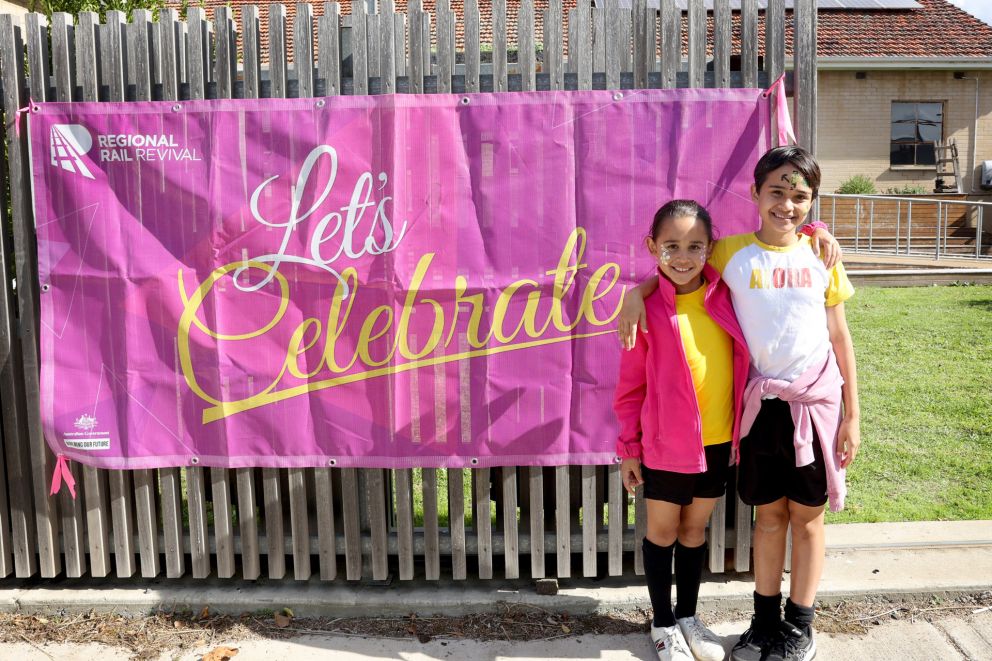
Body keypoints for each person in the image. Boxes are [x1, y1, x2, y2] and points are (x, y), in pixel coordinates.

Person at [619, 146, 860, 661]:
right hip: (757, 411)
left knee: (808, 519)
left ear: (813, 201)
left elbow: (841, 339)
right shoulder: (729, 253)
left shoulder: (821, 256)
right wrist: (633, 294)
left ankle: (801, 626)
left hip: (813, 408)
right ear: (754, 193)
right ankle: (764, 621)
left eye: (800, 196)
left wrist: (853, 415)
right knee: (769, 517)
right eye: (777, 191)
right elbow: (678, 268)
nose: (787, 204)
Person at [614, 199, 750, 661]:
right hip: (665, 447)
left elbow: (785, 238)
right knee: (663, 533)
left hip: (716, 444)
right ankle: (664, 623)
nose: (683, 256)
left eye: (695, 245)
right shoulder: (645, 308)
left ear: (710, 248)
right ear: (652, 246)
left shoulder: (727, 294)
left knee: (695, 532)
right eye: (671, 246)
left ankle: (689, 615)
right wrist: (629, 448)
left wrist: (819, 232)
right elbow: (631, 387)